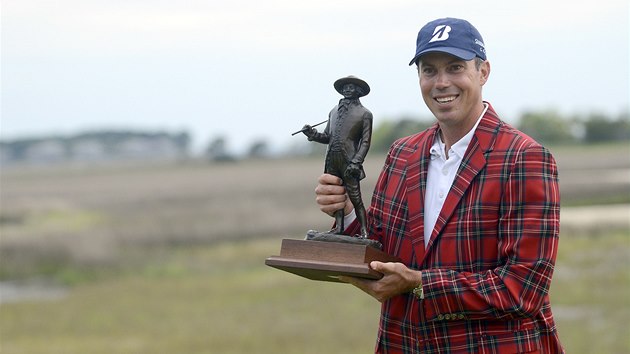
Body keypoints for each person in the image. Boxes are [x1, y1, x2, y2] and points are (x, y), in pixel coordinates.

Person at [315, 18, 564, 353]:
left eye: (455, 67)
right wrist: (345, 212)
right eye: (429, 70)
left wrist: (419, 283)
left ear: (483, 72)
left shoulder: (525, 159)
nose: (441, 82)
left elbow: (522, 289)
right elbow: (384, 246)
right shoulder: (402, 153)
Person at [302, 76, 373, 237]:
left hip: (349, 161)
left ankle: (364, 231)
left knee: (355, 197)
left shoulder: (365, 114)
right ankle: (339, 228)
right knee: (337, 195)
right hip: (332, 159)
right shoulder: (333, 111)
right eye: (345, 87)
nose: (348, 89)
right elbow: (327, 136)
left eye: (352, 87)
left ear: (359, 92)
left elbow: (365, 142)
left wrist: (356, 161)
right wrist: (312, 134)